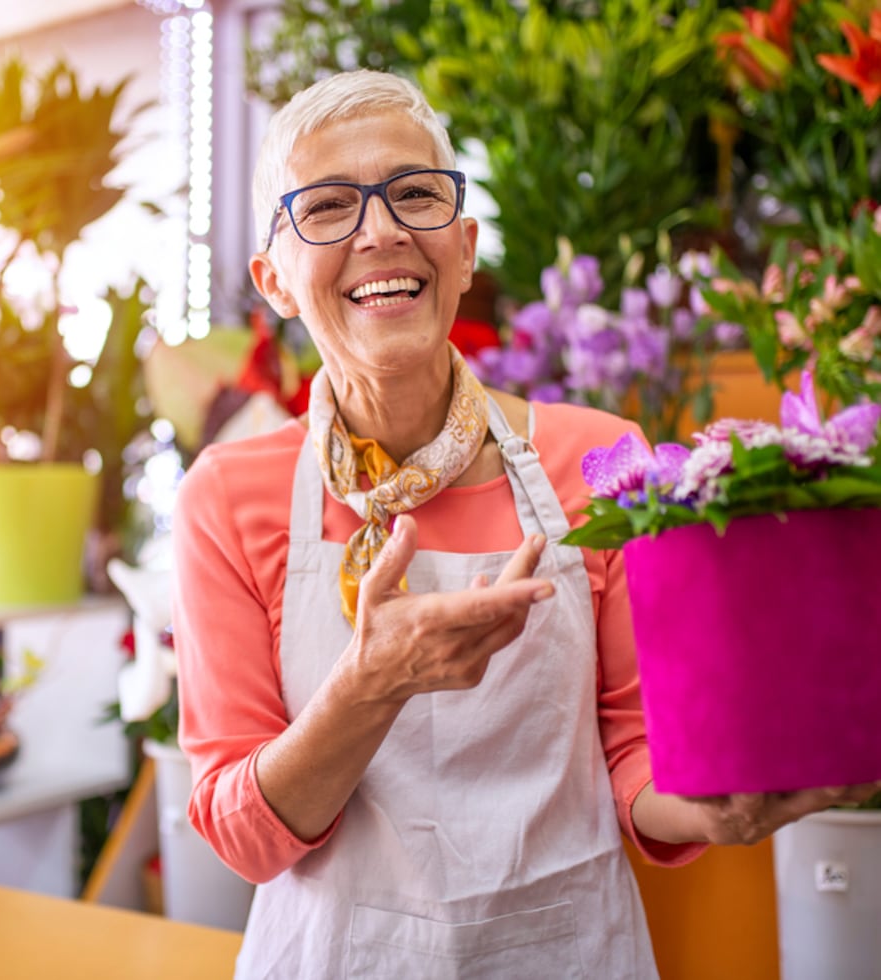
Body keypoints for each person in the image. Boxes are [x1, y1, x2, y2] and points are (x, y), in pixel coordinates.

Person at [172, 69, 879, 979]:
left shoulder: (601, 460)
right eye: (329, 206)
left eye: (414, 195)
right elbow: (243, 835)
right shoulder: (227, 497)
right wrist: (371, 684)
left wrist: (714, 809)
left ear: (464, 249)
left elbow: (634, 756)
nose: (381, 230)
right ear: (274, 280)